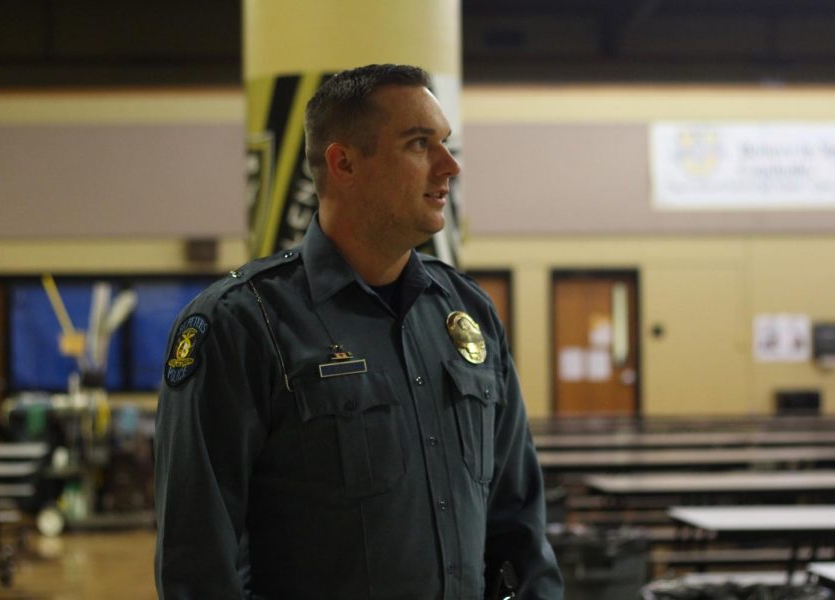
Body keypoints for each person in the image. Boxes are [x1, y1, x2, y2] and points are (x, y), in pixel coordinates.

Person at [154, 63, 563, 599]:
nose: (449, 166)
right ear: (343, 163)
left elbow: (519, 526)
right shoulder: (243, 324)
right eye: (420, 144)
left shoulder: (467, 313)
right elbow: (198, 564)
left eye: (445, 142)